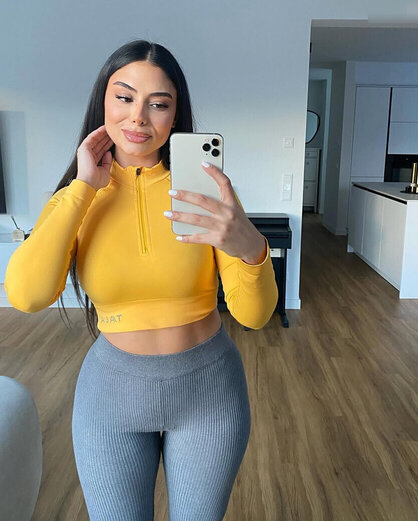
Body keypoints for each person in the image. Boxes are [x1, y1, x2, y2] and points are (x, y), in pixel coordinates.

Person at [4, 39, 278, 521]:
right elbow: (27, 296)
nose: (138, 118)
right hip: (110, 397)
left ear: (175, 115)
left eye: (158, 104)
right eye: (125, 97)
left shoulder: (206, 195)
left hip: (210, 392)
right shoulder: (75, 198)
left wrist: (251, 247)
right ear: (103, 102)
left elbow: (254, 316)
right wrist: (83, 188)